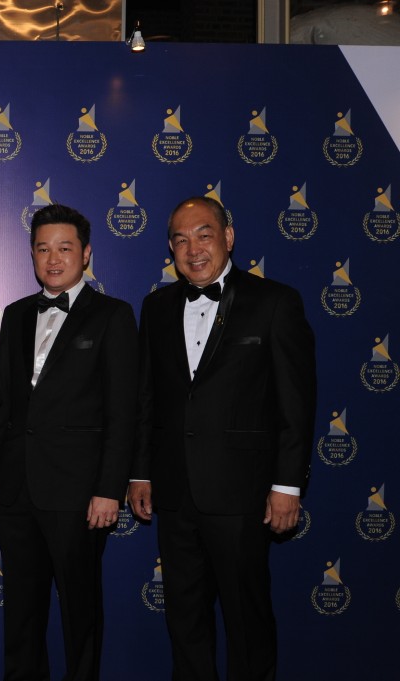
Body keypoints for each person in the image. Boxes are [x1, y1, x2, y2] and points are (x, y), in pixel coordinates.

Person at [128, 196, 316, 681]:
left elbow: (296, 403)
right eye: (180, 239)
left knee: (246, 618)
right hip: (173, 493)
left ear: (228, 237)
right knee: (184, 618)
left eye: (204, 235)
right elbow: (146, 398)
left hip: (243, 494)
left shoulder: (275, 302)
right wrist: (141, 471)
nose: (192, 249)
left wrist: (288, 485)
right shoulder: (155, 306)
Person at [0, 204, 138, 681]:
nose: (53, 258)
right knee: (21, 613)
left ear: (86, 254)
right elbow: (2, 403)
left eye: (65, 248)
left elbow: (122, 411)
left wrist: (110, 488)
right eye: (43, 248)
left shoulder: (113, 316)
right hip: (17, 488)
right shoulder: (14, 314)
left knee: (79, 613)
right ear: (31, 254)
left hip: (79, 492)